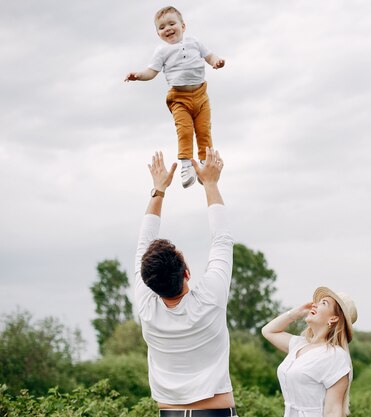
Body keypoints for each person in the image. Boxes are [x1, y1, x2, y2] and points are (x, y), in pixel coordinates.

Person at [135, 148, 238, 417]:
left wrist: (158, 190)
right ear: (187, 272)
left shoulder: (147, 307)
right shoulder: (210, 299)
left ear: (149, 284)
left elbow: (143, 244)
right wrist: (211, 184)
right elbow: (222, 239)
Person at [125, 6, 226, 188]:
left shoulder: (194, 42)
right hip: (179, 98)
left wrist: (216, 63)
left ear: (183, 26)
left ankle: (204, 164)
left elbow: (209, 56)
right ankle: (187, 165)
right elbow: (151, 72)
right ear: (158, 34)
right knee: (185, 130)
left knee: (204, 130)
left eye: (172, 24)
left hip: (201, 95)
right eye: (162, 27)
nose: (168, 29)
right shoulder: (162, 51)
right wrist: (138, 75)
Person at [262, 287, 358, 417]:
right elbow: (268, 331)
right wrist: (297, 313)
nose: (315, 305)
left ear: (334, 319)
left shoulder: (335, 356)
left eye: (323, 303)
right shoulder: (299, 344)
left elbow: (333, 411)